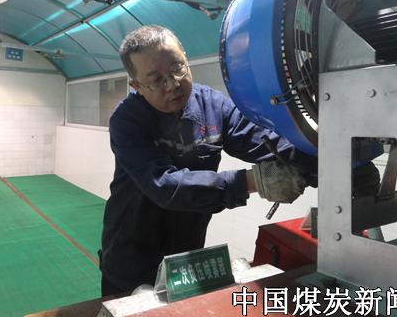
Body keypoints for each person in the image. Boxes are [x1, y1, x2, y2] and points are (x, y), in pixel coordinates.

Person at [99, 25, 318, 297]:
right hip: (131, 258)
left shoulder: (213, 105)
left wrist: (327, 163)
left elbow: (266, 143)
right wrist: (253, 181)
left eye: (177, 68)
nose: (173, 84)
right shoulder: (127, 120)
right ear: (137, 86)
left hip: (186, 257)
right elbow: (164, 186)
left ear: (186, 58)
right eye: (156, 80)